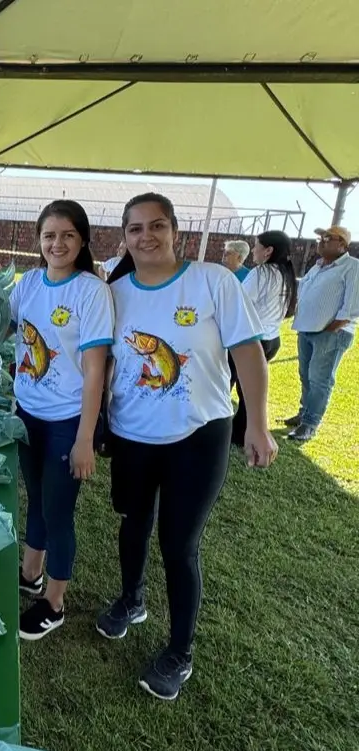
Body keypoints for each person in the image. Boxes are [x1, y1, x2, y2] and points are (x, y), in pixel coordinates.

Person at [98, 193, 276, 702]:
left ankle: (180, 651)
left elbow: (248, 352)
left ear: (175, 230)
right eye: (135, 228)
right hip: (132, 432)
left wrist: (257, 426)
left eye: (157, 226)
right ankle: (131, 599)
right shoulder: (114, 291)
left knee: (179, 544)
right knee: (133, 522)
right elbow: (104, 361)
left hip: (199, 436)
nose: (146, 237)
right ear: (124, 237)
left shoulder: (212, 281)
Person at [11, 201, 114, 641]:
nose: (57, 244)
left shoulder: (91, 291)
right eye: (49, 235)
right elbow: (1, 326)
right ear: (39, 239)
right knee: (35, 496)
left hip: (66, 421)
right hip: (26, 413)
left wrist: (84, 438)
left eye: (67, 235)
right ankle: (30, 571)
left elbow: (95, 369)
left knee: (58, 510)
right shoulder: (29, 282)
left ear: (83, 240)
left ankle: (53, 602)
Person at [286, 225, 359, 441]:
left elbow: (352, 305)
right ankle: (304, 413)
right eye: (320, 237)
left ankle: (310, 424)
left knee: (320, 379)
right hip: (307, 329)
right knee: (306, 375)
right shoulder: (317, 266)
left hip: (332, 333)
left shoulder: (352, 267)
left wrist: (332, 328)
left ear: (342, 245)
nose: (322, 241)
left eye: (328, 238)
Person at [228, 231, 298, 446]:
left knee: (232, 385)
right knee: (248, 389)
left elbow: (239, 302)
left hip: (250, 340)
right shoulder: (285, 274)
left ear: (268, 251)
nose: (254, 251)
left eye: (257, 246)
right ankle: (239, 431)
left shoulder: (262, 273)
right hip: (271, 339)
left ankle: (236, 433)